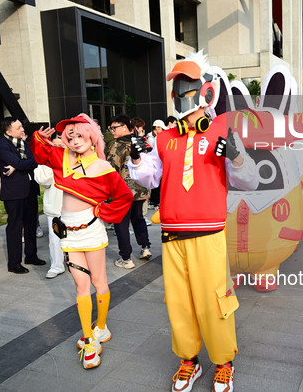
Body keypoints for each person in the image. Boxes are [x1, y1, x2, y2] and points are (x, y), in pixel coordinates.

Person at [129, 51, 258, 392]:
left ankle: (223, 361)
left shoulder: (222, 129)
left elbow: (249, 181)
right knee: (179, 301)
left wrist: (236, 155)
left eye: (187, 84)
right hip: (172, 233)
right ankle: (189, 359)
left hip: (209, 233)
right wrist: (137, 157)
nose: (181, 92)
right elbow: (149, 179)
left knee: (215, 300)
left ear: (205, 90)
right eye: (177, 86)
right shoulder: (164, 138)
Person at [31, 113, 134, 370]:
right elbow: (42, 155)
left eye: (80, 135)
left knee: (99, 282)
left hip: (91, 230)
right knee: (80, 285)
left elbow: (124, 196)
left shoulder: (103, 167)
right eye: (71, 136)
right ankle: (89, 338)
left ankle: (101, 327)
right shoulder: (61, 157)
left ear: (92, 137)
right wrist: (39, 139)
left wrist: (103, 213)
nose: (76, 141)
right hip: (69, 232)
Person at [0, 117, 45, 274]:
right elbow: (23, 163)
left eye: (22, 126)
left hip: (30, 189)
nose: (23, 130)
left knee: (31, 225)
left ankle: (31, 256)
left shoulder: (24, 142)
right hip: (14, 193)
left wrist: (19, 165)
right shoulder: (2, 145)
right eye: (19, 128)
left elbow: (33, 160)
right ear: (8, 131)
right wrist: (20, 164)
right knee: (15, 228)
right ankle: (14, 263)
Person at [106, 114, 152, 268]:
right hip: (140, 188)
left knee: (121, 224)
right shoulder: (140, 142)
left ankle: (126, 258)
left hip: (123, 192)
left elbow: (111, 170)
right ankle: (145, 247)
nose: (112, 131)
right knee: (138, 218)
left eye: (114, 127)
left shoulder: (117, 145)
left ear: (124, 127)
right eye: (111, 128)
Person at [33, 134, 66, 279]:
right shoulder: (46, 160)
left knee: (76, 236)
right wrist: (48, 161)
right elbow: (43, 180)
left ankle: (77, 262)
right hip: (55, 204)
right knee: (55, 238)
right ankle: (57, 265)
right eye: (55, 146)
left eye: (62, 145)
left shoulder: (75, 157)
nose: (59, 149)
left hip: (75, 206)